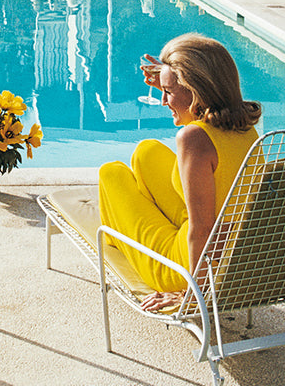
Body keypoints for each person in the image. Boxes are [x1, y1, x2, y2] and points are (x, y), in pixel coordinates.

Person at [97, 34, 262, 311]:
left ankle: (121, 237)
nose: (163, 101)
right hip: (233, 248)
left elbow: (201, 229)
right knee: (146, 151)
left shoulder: (194, 139)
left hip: (188, 266)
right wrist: (166, 80)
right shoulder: (244, 127)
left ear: (196, 91)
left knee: (112, 174)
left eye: (168, 92)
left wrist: (190, 292)